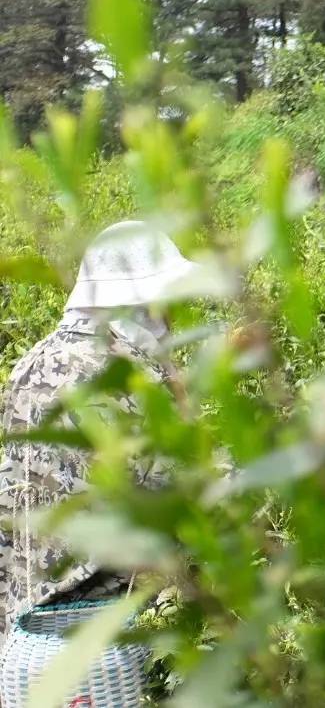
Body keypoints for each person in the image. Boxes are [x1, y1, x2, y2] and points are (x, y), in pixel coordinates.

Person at [0, 221, 202, 636]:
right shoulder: (128, 379)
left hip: (19, 621)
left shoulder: (29, 364)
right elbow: (189, 498)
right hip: (100, 628)